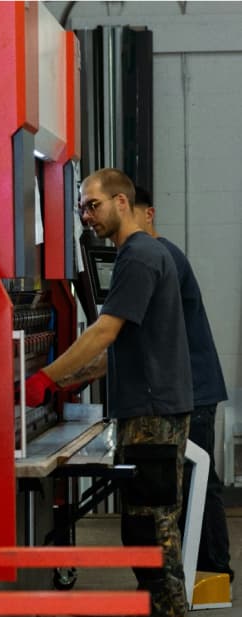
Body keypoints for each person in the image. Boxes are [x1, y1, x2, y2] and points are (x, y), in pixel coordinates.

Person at [25, 168, 194, 617]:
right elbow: (119, 350)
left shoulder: (138, 256)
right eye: (81, 207)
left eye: (93, 205)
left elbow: (104, 331)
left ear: (122, 202)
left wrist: (46, 377)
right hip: (147, 408)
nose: (86, 215)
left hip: (153, 413)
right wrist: (70, 381)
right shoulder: (140, 255)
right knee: (140, 525)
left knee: (154, 526)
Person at [133, 186, 233, 582]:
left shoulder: (163, 257)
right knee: (198, 482)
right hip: (190, 387)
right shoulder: (159, 255)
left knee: (199, 483)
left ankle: (214, 570)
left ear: (149, 214)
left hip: (195, 389)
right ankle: (207, 569)